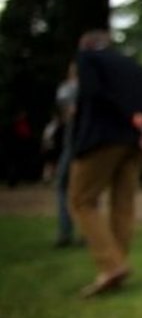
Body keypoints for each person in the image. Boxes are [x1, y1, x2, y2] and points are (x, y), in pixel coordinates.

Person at [68, 29, 142, 298]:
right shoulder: (136, 67)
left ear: (86, 45)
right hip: (134, 142)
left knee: (81, 200)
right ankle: (118, 262)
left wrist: (127, 116)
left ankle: (111, 265)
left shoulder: (88, 59)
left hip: (101, 139)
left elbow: (92, 93)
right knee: (123, 204)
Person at [52, 62, 79, 248]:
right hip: (93, 145)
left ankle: (65, 232)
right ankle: (90, 233)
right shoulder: (96, 88)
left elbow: (68, 112)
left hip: (74, 144)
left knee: (62, 186)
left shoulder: (68, 88)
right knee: (88, 192)